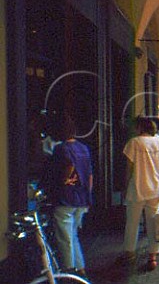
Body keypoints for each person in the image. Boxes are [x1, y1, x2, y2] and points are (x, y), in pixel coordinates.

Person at [117, 116, 159, 271]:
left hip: (137, 189)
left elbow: (129, 168)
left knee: (132, 223)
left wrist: (125, 187)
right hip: (155, 189)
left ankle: (130, 253)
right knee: (153, 223)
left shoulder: (134, 142)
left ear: (140, 127)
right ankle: (153, 256)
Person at [48, 114, 93, 279]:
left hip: (66, 197)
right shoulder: (84, 148)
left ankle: (69, 272)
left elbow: (69, 164)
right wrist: (88, 195)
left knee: (64, 237)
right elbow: (89, 175)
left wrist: (63, 179)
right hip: (82, 197)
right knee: (73, 235)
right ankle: (80, 269)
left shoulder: (61, 148)